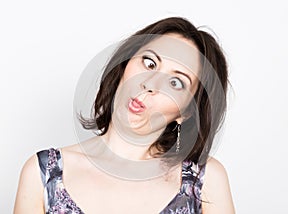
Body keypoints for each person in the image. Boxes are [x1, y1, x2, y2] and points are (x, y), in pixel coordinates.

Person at [14, 16, 235, 213]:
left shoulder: (204, 182)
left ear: (187, 112)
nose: (150, 84)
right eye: (149, 63)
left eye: (175, 82)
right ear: (125, 64)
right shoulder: (44, 173)